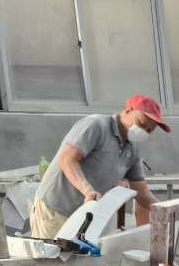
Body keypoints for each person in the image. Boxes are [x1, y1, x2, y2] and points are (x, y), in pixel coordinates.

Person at [29, 95, 168, 239]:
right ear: (128, 110)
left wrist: (166, 209)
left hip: (85, 214)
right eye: (141, 123)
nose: (143, 130)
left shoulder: (133, 148)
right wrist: (87, 190)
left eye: (148, 130)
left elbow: (141, 192)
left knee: (81, 253)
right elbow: (67, 159)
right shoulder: (96, 125)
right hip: (56, 209)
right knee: (51, 253)